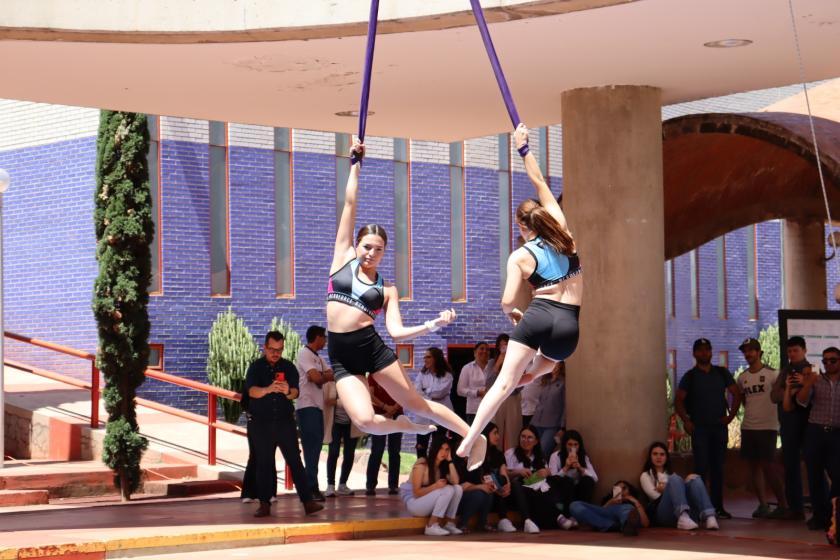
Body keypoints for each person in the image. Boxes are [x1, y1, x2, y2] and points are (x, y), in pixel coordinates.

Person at [327, 140, 486, 470]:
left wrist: (431, 325)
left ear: (384, 253)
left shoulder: (387, 289)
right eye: (367, 246)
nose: (371, 253)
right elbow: (349, 204)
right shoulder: (341, 259)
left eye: (379, 249)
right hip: (341, 355)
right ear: (356, 244)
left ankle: (473, 436)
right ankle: (403, 425)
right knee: (366, 421)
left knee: (420, 405)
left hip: (371, 349)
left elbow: (396, 333)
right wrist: (355, 164)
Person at [458, 123, 582, 464]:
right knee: (538, 371)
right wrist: (523, 148)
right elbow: (540, 183)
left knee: (504, 383)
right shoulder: (565, 233)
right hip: (569, 327)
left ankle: (471, 439)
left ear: (521, 226)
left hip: (539, 315)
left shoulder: (521, 256)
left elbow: (507, 301)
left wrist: (515, 316)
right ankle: (525, 377)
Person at [244, 331, 323, 517]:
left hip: (284, 422)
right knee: (263, 463)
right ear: (265, 347)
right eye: (272, 349)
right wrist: (268, 389)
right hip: (261, 423)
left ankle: (308, 502)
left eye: (279, 350)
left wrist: (288, 390)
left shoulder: (288, 367)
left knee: (295, 461)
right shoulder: (255, 367)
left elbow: (296, 392)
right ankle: (264, 504)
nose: (275, 353)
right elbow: (251, 391)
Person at [675, 338, 741, 519]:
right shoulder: (690, 376)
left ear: (711, 352)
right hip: (700, 429)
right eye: (700, 350)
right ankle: (701, 507)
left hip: (719, 428)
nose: (704, 353)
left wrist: (731, 416)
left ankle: (718, 507)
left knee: (718, 468)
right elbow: (678, 400)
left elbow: (736, 393)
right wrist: (686, 421)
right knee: (701, 468)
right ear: (694, 353)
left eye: (707, 349)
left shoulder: (721, 373)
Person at [736, 337, 787, 519]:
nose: (748, 353)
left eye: (751, 350)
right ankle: (763, 505)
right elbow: (743, 401)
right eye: (745, 351)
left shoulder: (773, 374)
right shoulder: (742, 378)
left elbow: (780, 397)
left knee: (769, 465)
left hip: (768, 427)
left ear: (759, 352)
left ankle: (783, 505)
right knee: (753, 466)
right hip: (749, 427)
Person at [793, 346, 840, 531]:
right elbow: (801, 401)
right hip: (816, 432)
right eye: (825, 360)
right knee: (814, 476)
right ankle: (820, 516)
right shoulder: (817, 380)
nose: (828, 363)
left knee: (838, 475)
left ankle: (833, 513)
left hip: (837, 434)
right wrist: (808, 383)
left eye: (833, 360)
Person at [770, 335, 811, 522]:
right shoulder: (786, 369)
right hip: (787, 425)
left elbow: (805, 396)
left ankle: (822, 509)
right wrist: (788, 391)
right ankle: (795, 508)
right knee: (790, 467)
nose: (792, 354)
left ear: (804, 350)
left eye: (796, 350)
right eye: (789, 351)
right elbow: (774, 395)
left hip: (807, 425)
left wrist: (797, 388)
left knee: (814, 467)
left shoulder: (810, 370)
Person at [640, 441, 718, 530]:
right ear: (650, 457)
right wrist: (671, 487)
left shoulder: (670, 475)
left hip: (687, 514)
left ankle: (709, 516)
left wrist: (682, 483)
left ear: (666, 458)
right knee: (674, 479)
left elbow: (677, 492)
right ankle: (683, 516)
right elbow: (655, 496)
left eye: (662, 454)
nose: (658, 457)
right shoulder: (645, 475)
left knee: (694, 479)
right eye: (655, 454)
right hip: (664, 514)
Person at [295, 325, 333, 502]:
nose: (325, 340)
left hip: (317, 408)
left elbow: (329, 374)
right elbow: (317, 378)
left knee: (316, 448)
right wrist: (321, 376)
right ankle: (310, 488)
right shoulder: (305, 353)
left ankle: (310, 486)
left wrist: (321, 375)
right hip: (307, 406)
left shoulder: (318, 358)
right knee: (311, 449)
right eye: (323, 337)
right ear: (317, 338)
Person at [399, 434, 464, 536]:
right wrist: (435, 487)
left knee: (457, 488)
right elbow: (416, 493)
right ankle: (431, 525)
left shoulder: (442, 467)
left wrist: (450, 460)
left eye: (447, 449)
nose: (444, 452)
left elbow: (456, 482)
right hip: (414, 504)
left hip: (427, 503)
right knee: (447, 490)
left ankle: (449, 523)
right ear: (435, 448)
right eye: (441, 448)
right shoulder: (422, 464)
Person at [455, 422, 515, 533]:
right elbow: (460, 485)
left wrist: (504, 486)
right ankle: (462, 523)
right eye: (495, 433)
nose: (498, 436)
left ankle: (484, 523)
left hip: (481, 490)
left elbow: (497, 474)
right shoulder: (465, 457)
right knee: (481, 493)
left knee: (490, 489)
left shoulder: (491, 455)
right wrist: (480, 486)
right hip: (463, 494)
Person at [504, 425, 557, 533]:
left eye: (529, 437)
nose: (525, 440)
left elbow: (547, 472)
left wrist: (546, 472)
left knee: (554, 481)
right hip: (517, 490)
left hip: (535, 490)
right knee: (517, 482)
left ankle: (558, 516)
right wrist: (518, 472)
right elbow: (504, 474)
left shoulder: (539, 456)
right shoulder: (511, 453)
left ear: (536, 441)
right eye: (523, 437)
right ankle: (527, 520)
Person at [548, 429, 597, 528]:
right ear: (564, 445)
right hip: (562, 491)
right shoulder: (556, 456)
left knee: (587, 481)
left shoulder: (583, 457)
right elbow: (553, 479)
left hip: (577, 491)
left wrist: (580, 468)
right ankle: (568, 516)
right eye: (569, 444)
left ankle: (583, 514)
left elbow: (595, 478)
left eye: (575, 445)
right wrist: (565, 467)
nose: (572, 448)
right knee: (567, 481)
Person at [322, 379, 362, 497]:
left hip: (351, 423)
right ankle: (330, 485)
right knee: (333, 452)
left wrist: (338, 402)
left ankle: (343, 484)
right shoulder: (330, 383)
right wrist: (343, 402)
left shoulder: (354, 383)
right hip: (336, 424)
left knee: (349, 454)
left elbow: (358, 401)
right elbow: (328, 401)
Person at [366, 374, 403, 496]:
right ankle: (370, 485)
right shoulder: (373, 375)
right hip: (379, 414)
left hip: (397, 414)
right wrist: (385, 407)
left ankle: (393, 485)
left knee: (394, 450)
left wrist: (394, 408)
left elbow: (404, 393)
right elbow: (370, 395)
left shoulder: (397, 374)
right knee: (377, 449)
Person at [569, 480, 649, 536]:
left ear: (630, 491)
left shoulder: (632, 504)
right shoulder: (609, 500)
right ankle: (616, 526)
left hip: (625, 511)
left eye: (624, 488)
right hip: (607, 516)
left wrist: (635, 502)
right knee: (575, 505)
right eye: (618, 489)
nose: (621, 491)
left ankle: (626, 525)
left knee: (627, 508)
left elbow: (645, 524)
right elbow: (600, 513)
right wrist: (610, 502)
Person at [485, 334, 522, 452]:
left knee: (513, 430)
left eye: (505, 344)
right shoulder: (491, 363)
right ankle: (497, 456)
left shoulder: (516, 360)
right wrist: (497, 364)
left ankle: (513, 457)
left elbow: (521, 383)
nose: (503, 347)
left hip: (513, 397)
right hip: (497, 398)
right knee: (497, 429)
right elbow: (489, 384)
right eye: (500, 345)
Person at [415, 347, 454, 458]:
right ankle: (422, 472)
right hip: (423, 417)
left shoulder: (447, 375)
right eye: (424, 357)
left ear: (436, 358)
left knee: (438, 449)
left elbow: (439, 393)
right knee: (421, 447)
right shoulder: (422, 374)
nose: (425, 359)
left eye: (428, 357)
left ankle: (436, 473)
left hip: (441, 417)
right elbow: (416, 391)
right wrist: (426, 393)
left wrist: (425, 391)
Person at [531, 361, 566, 456]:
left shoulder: (563, 382)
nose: (554, 366)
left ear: (561, 364)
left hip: (552, 425)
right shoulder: (545, 381)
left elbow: (565, 407)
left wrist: (562, 428)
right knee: (532, 452)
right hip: (536, 422)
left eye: (556, 363)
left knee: (543, 451)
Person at [457, 342, 490, 424]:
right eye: (482, 349)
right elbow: (460, 390)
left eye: (487, 349)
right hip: (474, 410)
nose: (485, 351)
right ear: (475, 352)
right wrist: (477, 393)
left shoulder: (493, 367)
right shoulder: (467, 368)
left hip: (491, 409)